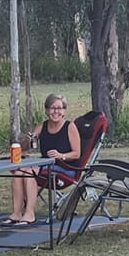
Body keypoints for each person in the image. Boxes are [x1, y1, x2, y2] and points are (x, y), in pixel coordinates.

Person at [7, 93, 82, 226]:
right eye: (53, 108)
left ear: (64, 111)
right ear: (47, 110)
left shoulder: (70, 127)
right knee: (19, 172)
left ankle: (29, 213)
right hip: (46, 164)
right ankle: (17, 213)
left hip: (66, 168)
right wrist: (28, 139)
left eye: (59, 108)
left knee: (29, 171)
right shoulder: (42, 126)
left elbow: (77, 154)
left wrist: (61, 155)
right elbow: (25, 148)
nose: (56, 112)